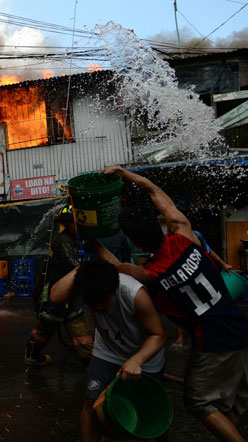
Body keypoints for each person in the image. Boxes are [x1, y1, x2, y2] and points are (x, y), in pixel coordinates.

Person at [98, 165, 248, 442]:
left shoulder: (150, 273)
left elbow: (114, 265)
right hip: (239, 325)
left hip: (213, 342)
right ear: (159, 223)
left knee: (199, 402)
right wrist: (124, 172)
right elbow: (154, 190)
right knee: (228, 403)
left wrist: (88, 235)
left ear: (135, 241)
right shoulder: (183, 232)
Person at [50, 258, 165, 442]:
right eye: (92, 302)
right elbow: (55, 296)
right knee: (91, 404)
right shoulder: (90, 285)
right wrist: (85, 269)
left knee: (151, 414)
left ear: (115, 289)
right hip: (108, 351)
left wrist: (137, 360)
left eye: (104, 300)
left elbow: (158, 335)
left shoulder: (135, 294)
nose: (98, 307)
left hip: (145, 355)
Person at [24, 205, 94, 367]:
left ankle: (87, 359)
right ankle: (32, 355)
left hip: (66, 289)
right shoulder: (62, 241)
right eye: (76, 223)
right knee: (47, 325)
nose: (79, 226)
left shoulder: (72, 239)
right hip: (53, 291)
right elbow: (74, 266)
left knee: (77, 321)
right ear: (68, 224)